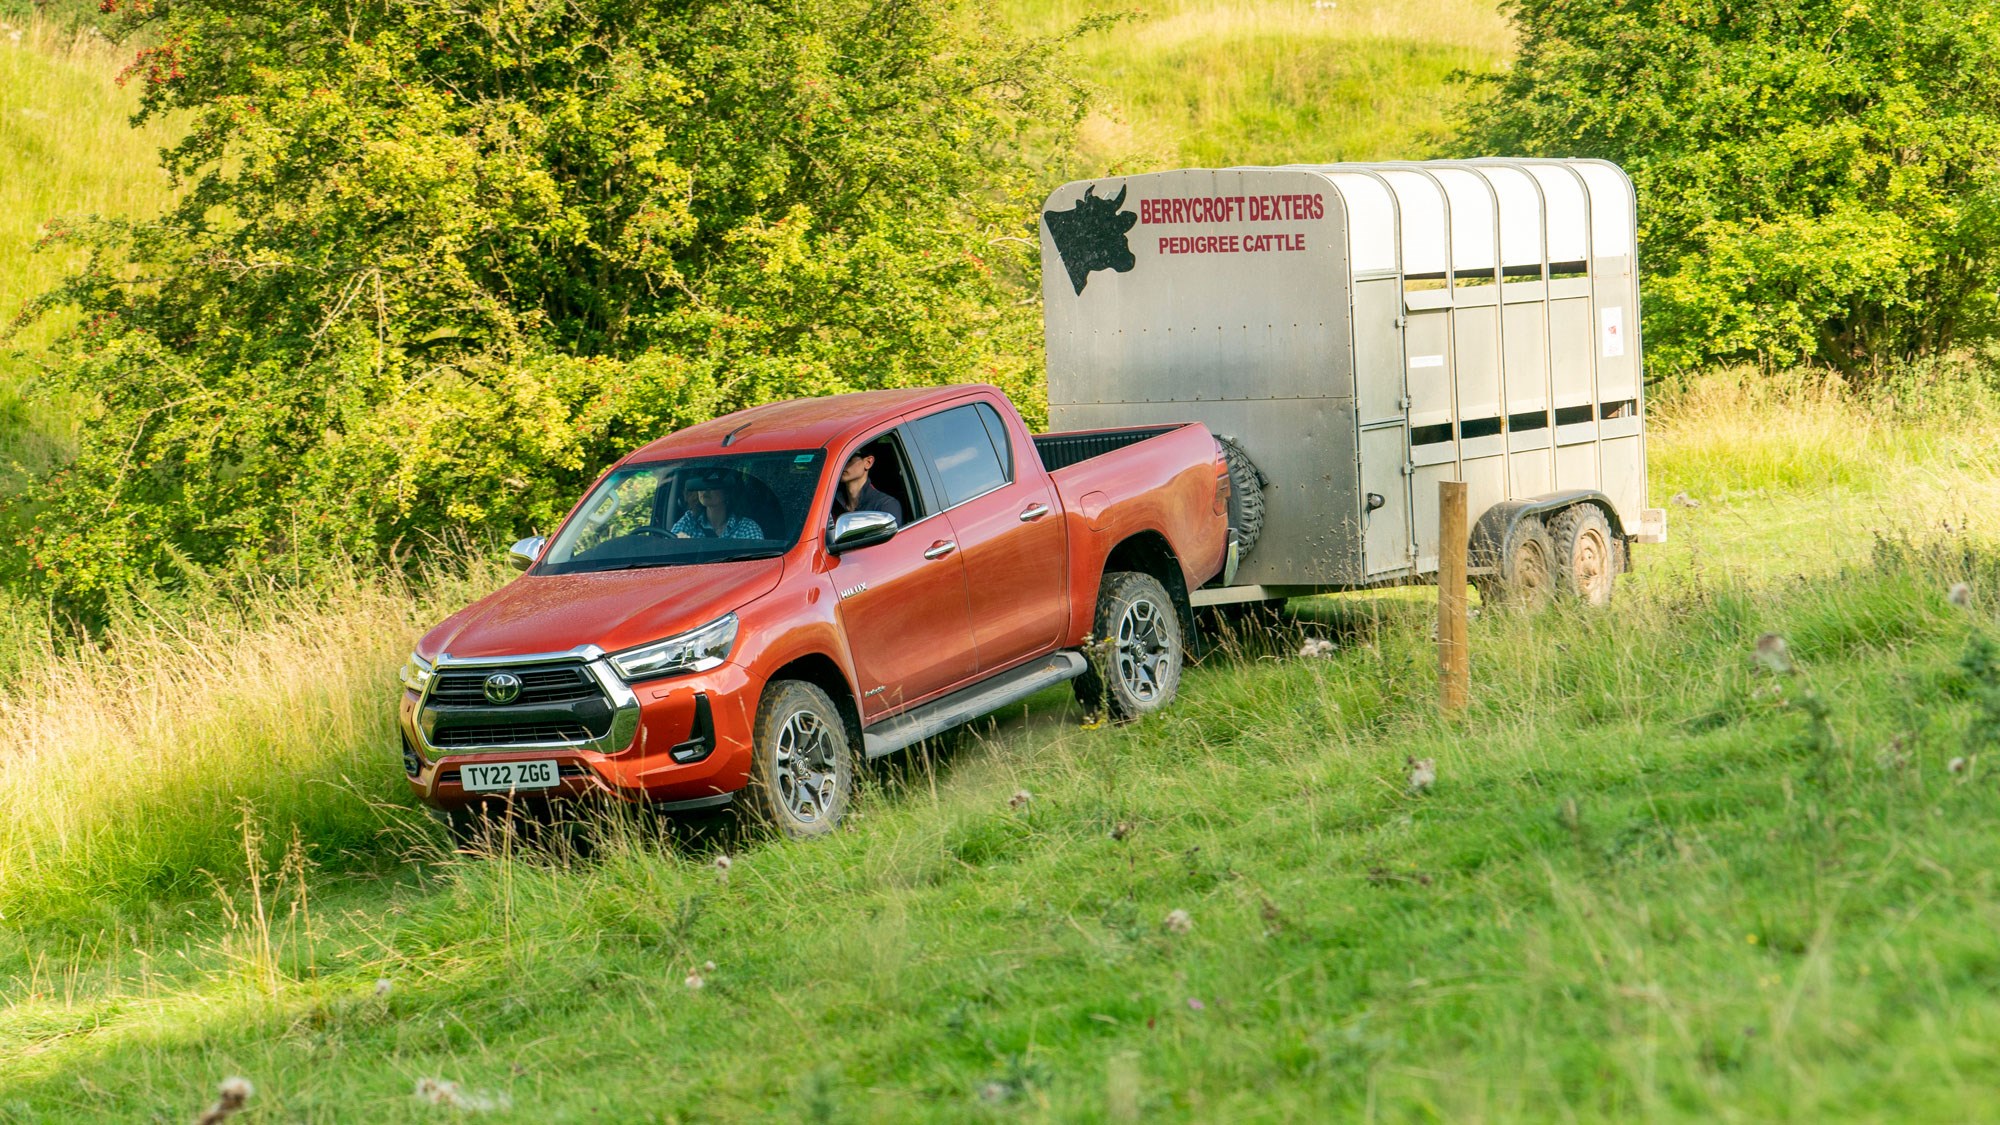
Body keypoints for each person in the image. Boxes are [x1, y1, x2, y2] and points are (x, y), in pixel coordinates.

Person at [671, 473, 764, 539]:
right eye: (701, 484)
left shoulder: (747, 528)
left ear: (727, 492)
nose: (705, 490)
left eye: (713, 484)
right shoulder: (689, 521)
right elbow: (670, 548)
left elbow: (758, 564)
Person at [832, 451, 904, 526]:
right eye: (837, 458)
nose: (840, 464)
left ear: (868, 462)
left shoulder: (885, 506)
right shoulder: (829, 503)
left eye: (848, 458)